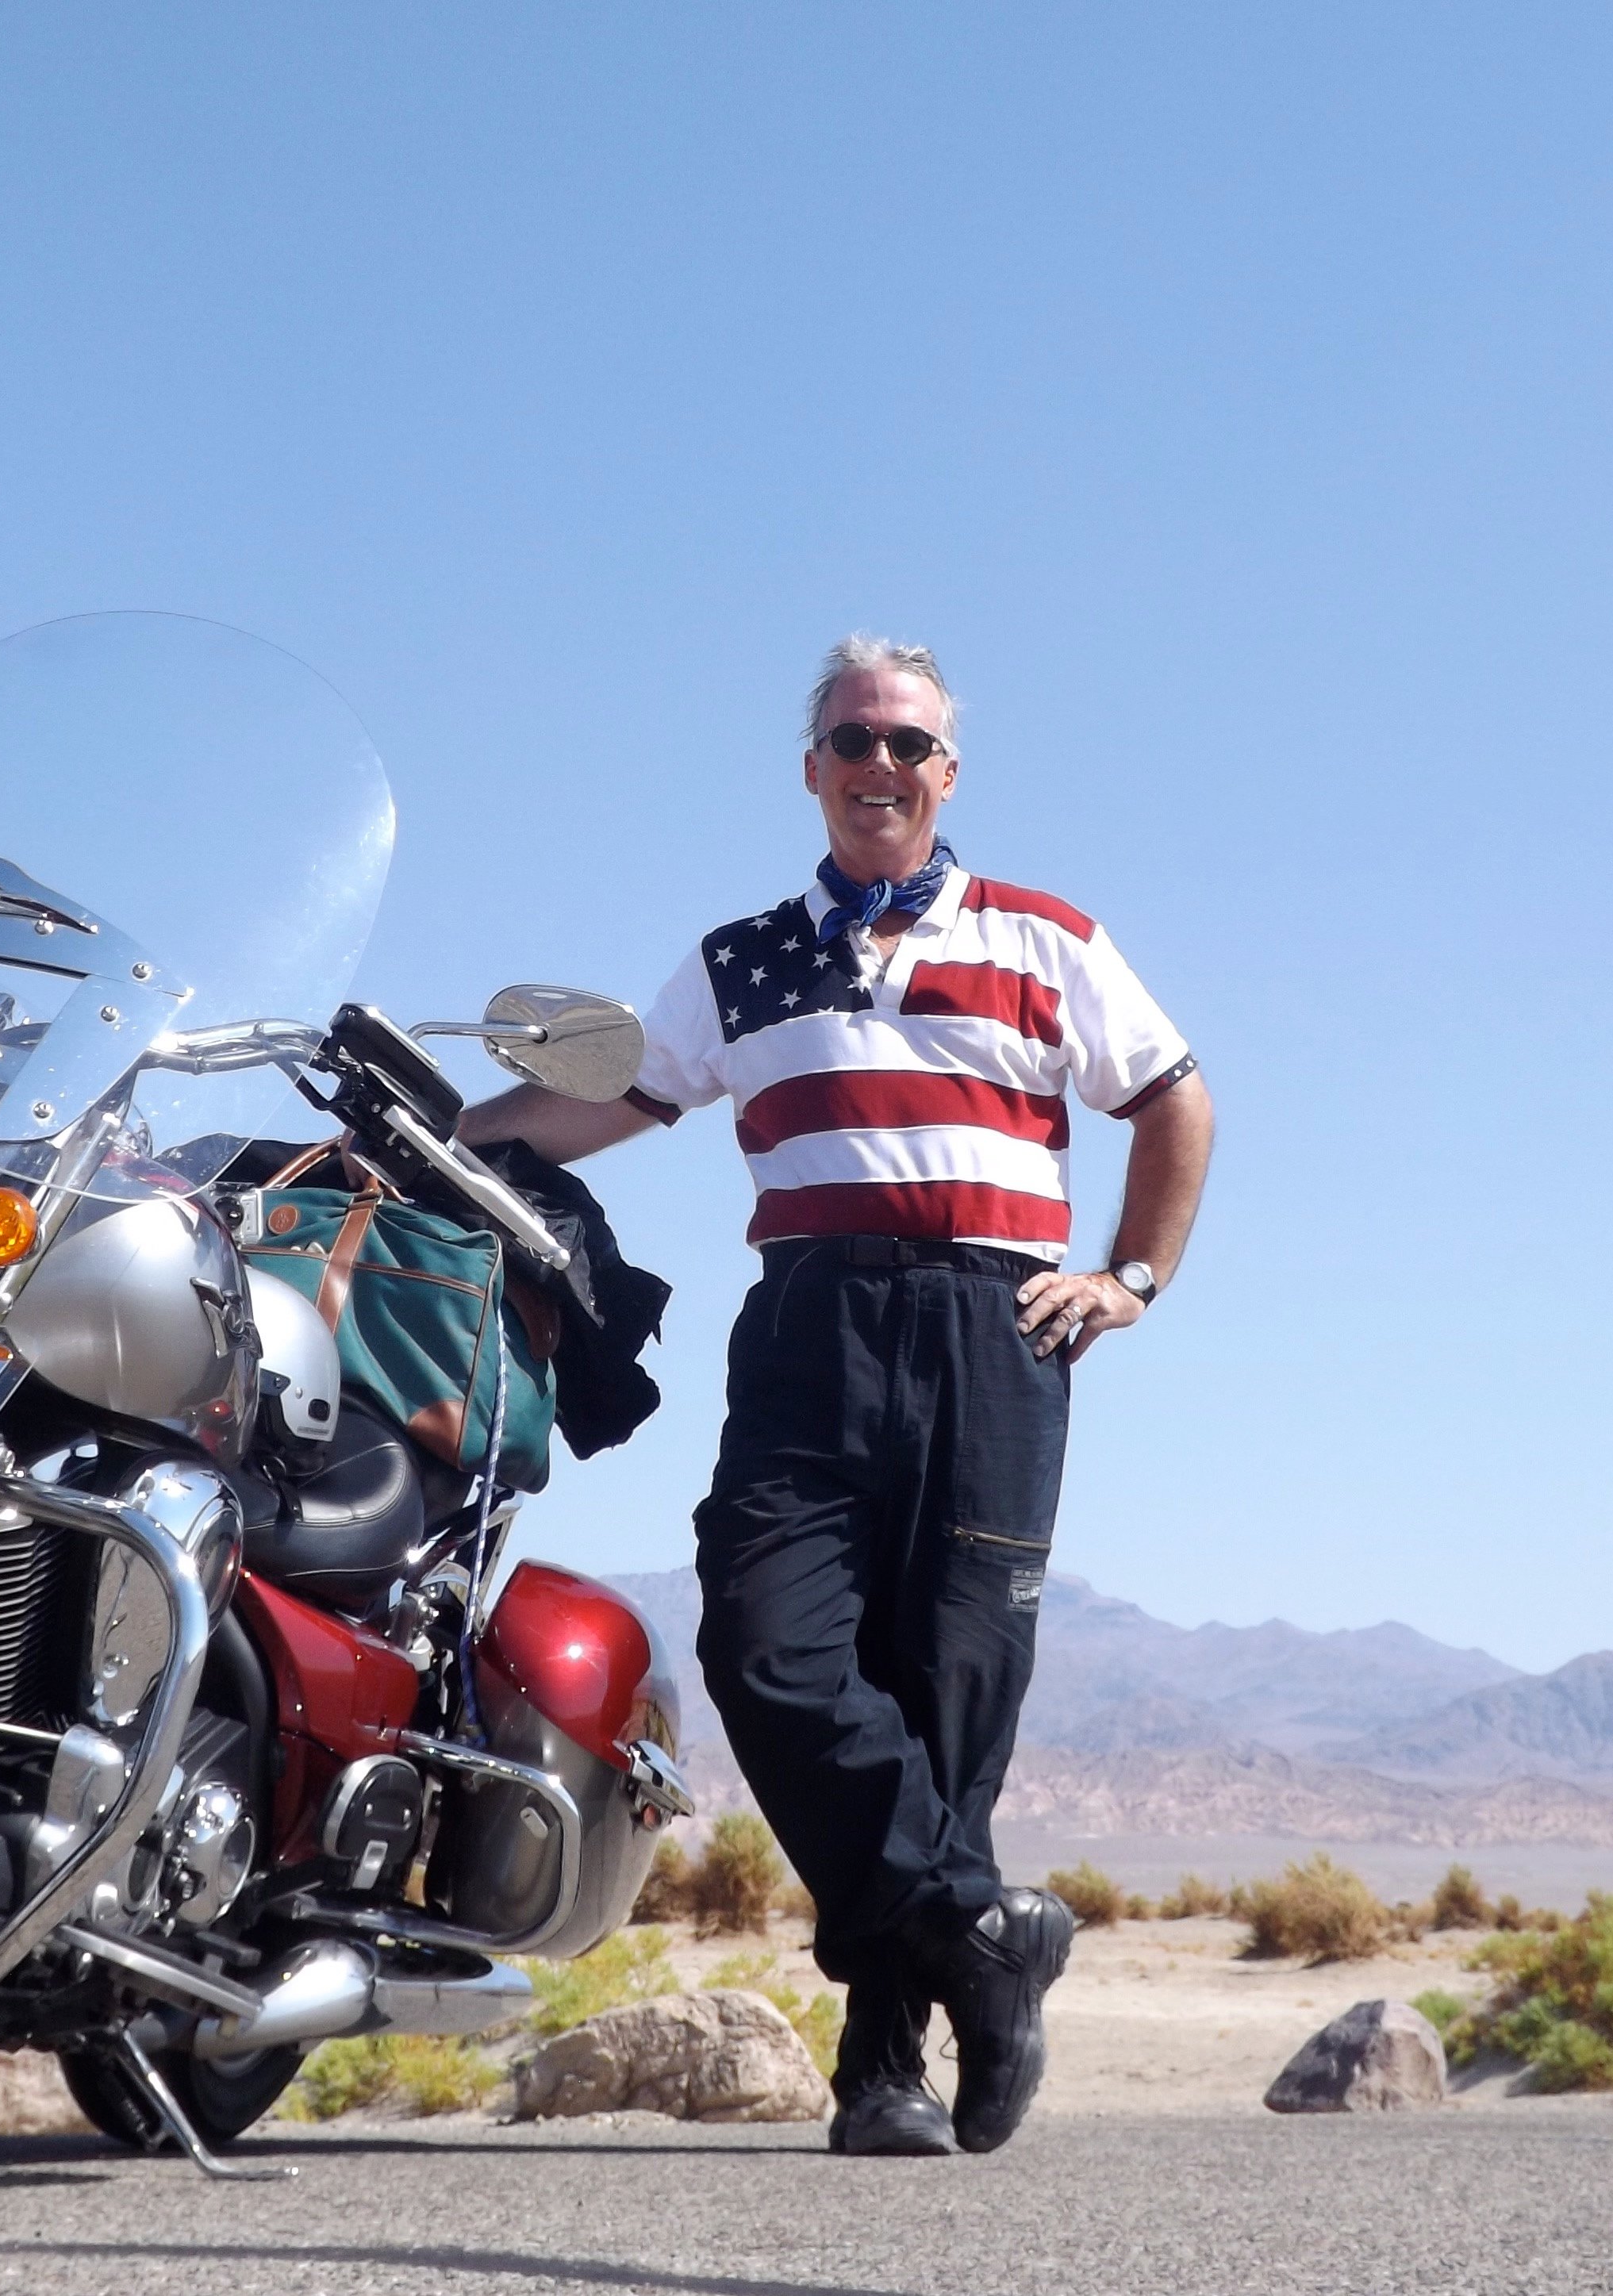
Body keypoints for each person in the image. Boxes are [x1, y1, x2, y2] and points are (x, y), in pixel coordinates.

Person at [460, 634, 1212, 2156]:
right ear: (810, 769)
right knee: (763, 1640)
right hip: (809, 1323)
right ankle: (984, 1932)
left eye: (910, 745)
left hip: (996, 1328)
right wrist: (431, 1140)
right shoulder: (743, 959)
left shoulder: (1046, 936)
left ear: (948, 774)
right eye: (854, 741)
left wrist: (1131, 1279)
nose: (882, 767)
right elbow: (603, 1099)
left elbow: (1173, 1097)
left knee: (947, 1692)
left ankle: (884, 2072)